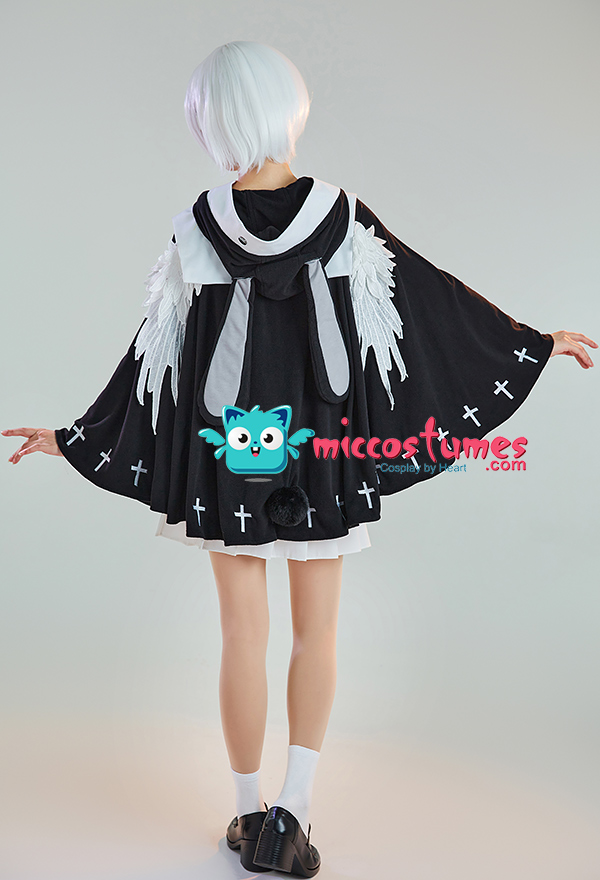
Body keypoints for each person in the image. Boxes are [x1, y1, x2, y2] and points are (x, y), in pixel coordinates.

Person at [2, 40, 596, 878]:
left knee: (240, 633)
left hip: (227, 454)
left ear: (213, 121)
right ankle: (294, 814)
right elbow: (430, 305)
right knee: (318, 633)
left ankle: (248, 815)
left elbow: (155, 357)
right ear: (288, 108)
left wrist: (76, 435)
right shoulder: (342, 217)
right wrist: (528, 344)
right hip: (323, 449)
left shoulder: (198, 226)